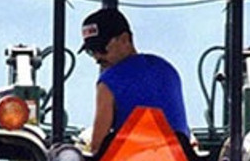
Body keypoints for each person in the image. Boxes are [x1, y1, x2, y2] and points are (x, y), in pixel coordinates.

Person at [79, 8, 189, 152]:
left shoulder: (108, 81)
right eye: (91, 51)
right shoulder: (168, 69)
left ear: (126, 39)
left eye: (101, 48)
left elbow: (97, 147)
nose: (97, 57)